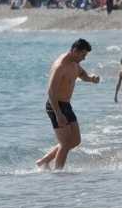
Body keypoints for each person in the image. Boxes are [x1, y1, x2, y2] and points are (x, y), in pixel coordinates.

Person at [36, 39, 100, 171]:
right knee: (65, 144)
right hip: (56, 106)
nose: (84, 59)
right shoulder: (61, 66)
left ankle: (44, 161)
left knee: (75, 141)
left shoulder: (74, 63)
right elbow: (51, 92)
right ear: (75, 51)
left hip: (66, 105)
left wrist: (91, 78)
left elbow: (82, 74)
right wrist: (58, 114)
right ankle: (58, 175)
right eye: (83, 55)